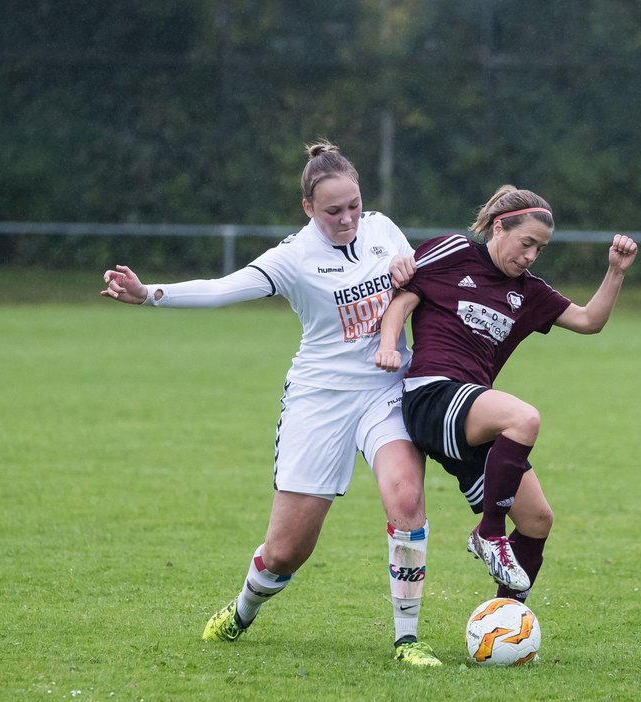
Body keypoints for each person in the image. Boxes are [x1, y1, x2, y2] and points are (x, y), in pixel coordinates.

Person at [100, 140, 443, 666]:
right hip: (320, 400)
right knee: (287, 552)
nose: (348, 218)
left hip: (385, 390)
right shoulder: (292, 257)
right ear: (308, 208)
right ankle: (242, 611)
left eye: (353, 205)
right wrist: (149, 294)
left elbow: (413, 283)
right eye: (333, 211)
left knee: (405, 497)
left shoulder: (382, 228)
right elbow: (219, 290)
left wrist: (406, 275)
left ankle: (407, 640)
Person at [374, 185, 638, 603]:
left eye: (540, 249)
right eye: (526, 243)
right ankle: (489, 533)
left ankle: (505, 619)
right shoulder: (454, 251)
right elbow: (403, 299)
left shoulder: (529, 292)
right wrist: (389, 345)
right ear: (500, 227)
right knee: (524, 417)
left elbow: (589, 321)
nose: (531, 256)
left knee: (537, 521)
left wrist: (616, 271)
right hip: (431, 397)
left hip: (473, 416)